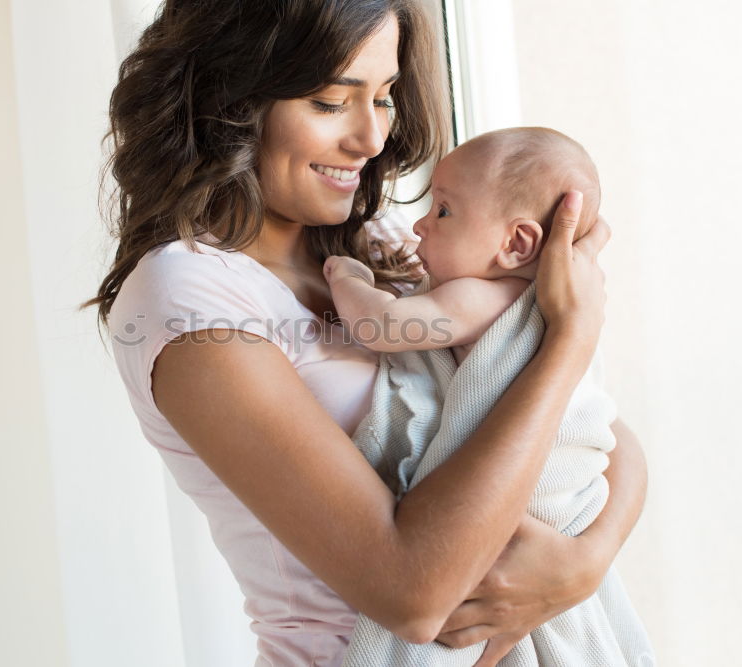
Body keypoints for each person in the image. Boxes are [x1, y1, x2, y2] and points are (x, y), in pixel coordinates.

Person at [81, 2, 648, 665]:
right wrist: (571, 338)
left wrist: (585, 561)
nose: (372, 138)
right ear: (228, 98)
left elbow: (600, 437)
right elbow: (415, 593)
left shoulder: (376, 246)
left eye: (383, 97)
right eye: (330, 101)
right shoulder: (190, 301)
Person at [324, 127, 654, 664]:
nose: (420, 225)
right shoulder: (548, 303)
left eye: (444, 212)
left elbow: (383, 325)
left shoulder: (485, 298)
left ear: (516, 244)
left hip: (538, 507)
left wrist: (349, 278)